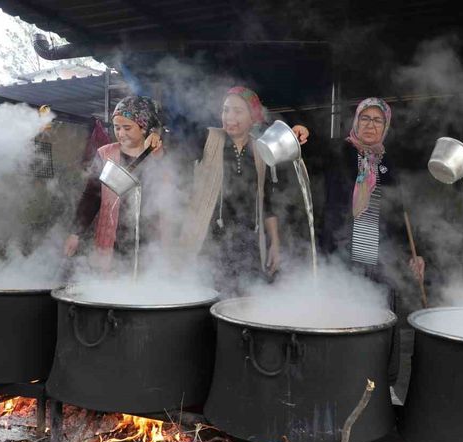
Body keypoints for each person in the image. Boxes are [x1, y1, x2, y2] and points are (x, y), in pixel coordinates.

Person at [316, 97, 425, 386]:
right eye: (365, 118)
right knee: (344, 318)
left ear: (385, 126)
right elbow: (328, 197)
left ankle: (379, 384)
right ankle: (339, 380)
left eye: (377, 120)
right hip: (343, 255)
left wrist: (416, 253)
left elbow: (401, 216)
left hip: (381, 258)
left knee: (380, 321)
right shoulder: (338, 153)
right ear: (355, 121)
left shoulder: (389, 164)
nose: (370, 125)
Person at [180, 86, 309, 294]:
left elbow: (266, 202)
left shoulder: (260, 149)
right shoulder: (206, 138)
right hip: (208, 244)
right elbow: (175, 154)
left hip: (248, 245)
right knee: (205, 306)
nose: (229, 117)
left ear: (253, 118)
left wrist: (274, 243)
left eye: (238, 111)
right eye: (225, 110)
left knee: (243, 306)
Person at [63, 96, 165, 272]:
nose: (121, 133)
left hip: (149, 239)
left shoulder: (157, 153)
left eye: (127, 127)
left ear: (144, 128)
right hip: (112, 237)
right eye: (117, 127)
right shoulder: (105, 154)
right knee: (112, 287)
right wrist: (75, 233)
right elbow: (92, 196)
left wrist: (159, 142)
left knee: (146, 285)